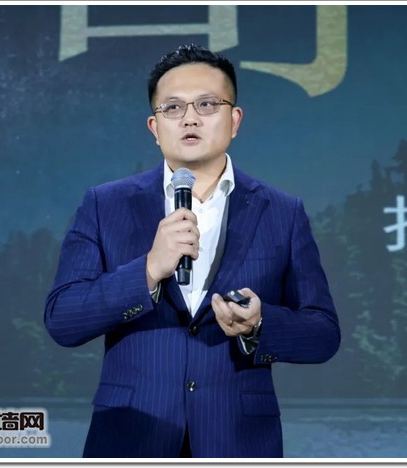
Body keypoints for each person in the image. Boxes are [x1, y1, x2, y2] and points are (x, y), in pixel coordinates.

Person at [44, 44, 340, 458]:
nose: (190, 118)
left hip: (236, 442)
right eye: (173, 108)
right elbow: (63, 319)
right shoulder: (105, 205)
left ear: (234, 120)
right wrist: (148, 270)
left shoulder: (282, 212)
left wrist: (258, 325)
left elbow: (323, 333)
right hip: (131, 438)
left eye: (207, 104)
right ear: (154, 127)